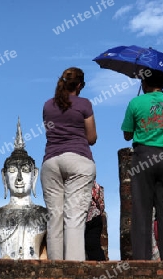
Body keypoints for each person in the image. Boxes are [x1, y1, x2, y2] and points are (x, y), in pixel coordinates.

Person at [121, 68, 163, 260]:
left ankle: (142, 261)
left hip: (144, 157)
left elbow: (127, 135)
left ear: (144, 83)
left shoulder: (136, 102)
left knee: (141, 211)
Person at [41, 67, 97, 261]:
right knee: (74, 218)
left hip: (51, 163)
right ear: (80, 85)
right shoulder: (84, 104)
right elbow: (91, 138)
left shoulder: (48, 105)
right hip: (78, 159)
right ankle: (74, 271)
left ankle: (55, 271)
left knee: (54, 219)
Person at [0, 119, 48, 259]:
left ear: (34, 175)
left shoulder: (46, 215)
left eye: (25, 170)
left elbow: (49, 257)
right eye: (13, 170)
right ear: (4, 176)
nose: (19, 178)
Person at [85, 181, 106, 261]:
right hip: (95, 216)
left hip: (91, 218)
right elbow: (102, 205)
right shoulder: (95, 185)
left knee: (92, 247)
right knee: (93, 247)